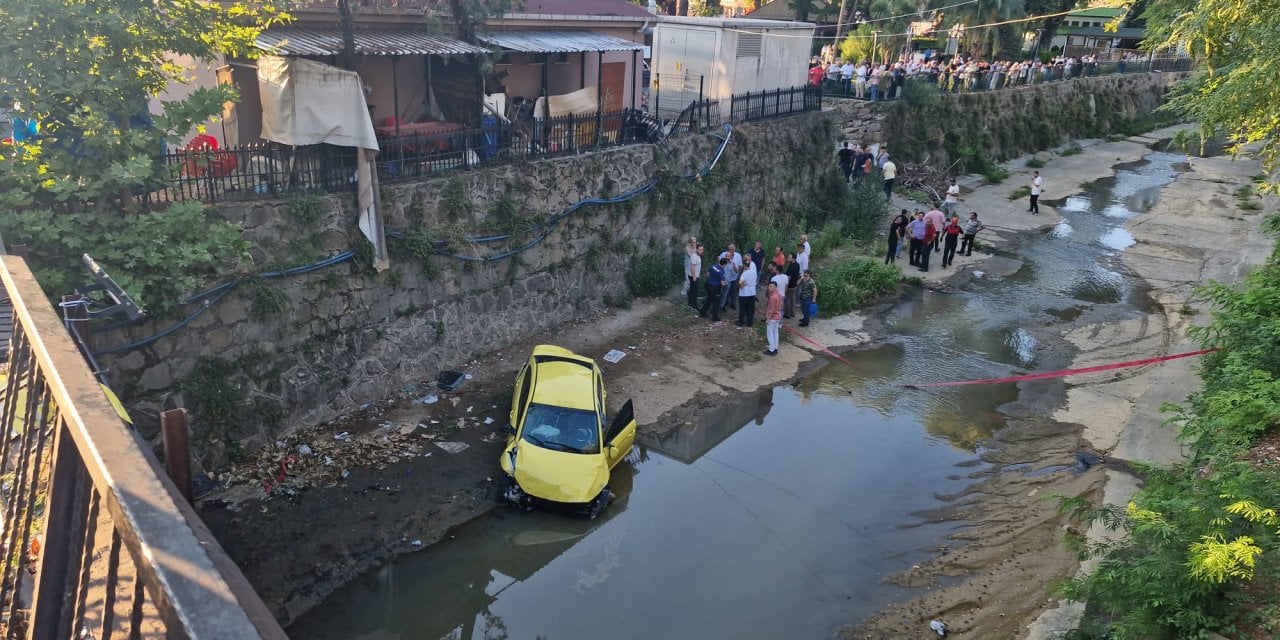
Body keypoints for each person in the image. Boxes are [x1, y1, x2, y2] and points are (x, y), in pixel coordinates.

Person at [699, 257, 726, 321]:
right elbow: (722, 284)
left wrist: (712, 278)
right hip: (716, 288)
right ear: (724, 264)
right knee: (716, 302)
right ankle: (715, 317)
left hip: (709, 285)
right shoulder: (721, 272)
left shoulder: (713, 266)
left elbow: (708, 273)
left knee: (708, 299)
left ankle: (702, 312)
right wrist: (725, 283)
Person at [737, 254, 758, 327]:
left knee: (742, 308)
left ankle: (741, 322)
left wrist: (742, 285)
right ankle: (749, 322)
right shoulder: (754, 272)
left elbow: (740, 284)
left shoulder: (744, 273)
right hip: (752, 293)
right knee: (750, 308)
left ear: (744, 265)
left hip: (744, 293)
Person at [719, 244, 741, 311]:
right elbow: (719, 262)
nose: (731, 251)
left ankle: (733, 304)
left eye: (732, 249)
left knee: (733, 291)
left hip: (733, 277)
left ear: (734, 249)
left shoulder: (738, 256)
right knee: (722, 292)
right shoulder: (723, 254)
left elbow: (739, 268)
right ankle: (722, 305)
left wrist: (733, 264)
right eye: (729, 249)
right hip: (724, 279)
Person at [764, 282, 783, 356]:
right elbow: (781, 305)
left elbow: (771, 310)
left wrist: (768, 319)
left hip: (772, 318)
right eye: (769, 286)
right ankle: (775, 348)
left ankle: (771, 350)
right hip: (778, 316)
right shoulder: (779, 295)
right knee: (776, 333)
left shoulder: (772, 298)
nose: (769, 288)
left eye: (771, 286)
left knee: (770, 334)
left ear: (775, 287)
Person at [686, 243, 703, 309]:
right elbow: (692, 266)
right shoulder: (694, 256)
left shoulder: (697, 255)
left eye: (702, 250)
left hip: (694, 275)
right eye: (700, 250)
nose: (701, 251)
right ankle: (694, 304)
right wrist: (694, 276)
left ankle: (690, 303)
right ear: (696, 249)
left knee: (692, 289)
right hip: (693, 276)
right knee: (695, 291)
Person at [784, 253, 800, 319]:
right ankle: (792, 312)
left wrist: (785, 286)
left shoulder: (792, 267)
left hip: (789, 285)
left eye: (789, 257)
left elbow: (788, 277)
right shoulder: (797, 265)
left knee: (787, 299)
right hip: (794, 285)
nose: (788, 258)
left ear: (793, 259)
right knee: (792, 299)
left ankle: (787, 314)